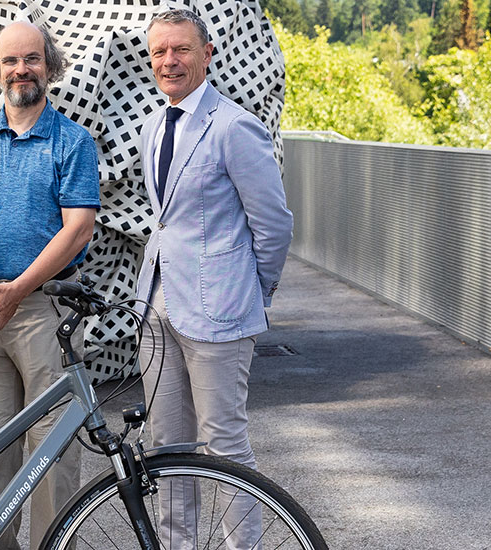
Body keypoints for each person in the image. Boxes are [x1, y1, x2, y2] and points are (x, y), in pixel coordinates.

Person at [136, 8, 294, 548]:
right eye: (159, 52)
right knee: (167, 447)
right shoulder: (153, 126)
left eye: (180, 49)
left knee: (224, 447)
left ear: (207, 53)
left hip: (220, 312)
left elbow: (273, 225)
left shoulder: (234, 126)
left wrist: (252, 292)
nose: (169, 61)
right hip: (156, 308)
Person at [0, 21, 101, 550]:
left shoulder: (73, 141)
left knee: (52, 443)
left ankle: (51, 545)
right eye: (11, 60)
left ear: (50, 66)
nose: (21, 70)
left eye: (32, 59)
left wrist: (19, 287)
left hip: (43, 308)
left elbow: (78, 227)